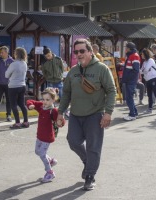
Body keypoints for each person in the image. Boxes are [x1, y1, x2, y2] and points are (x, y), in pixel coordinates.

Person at [57, 38, 116, 191]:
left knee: (93, 147)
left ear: (90, 51)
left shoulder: (101, 69)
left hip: (95, 115)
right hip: (76, 115)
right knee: (73, 141)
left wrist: (108, 113)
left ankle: (90, 176)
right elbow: (66, 94)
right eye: (76, 52)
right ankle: (87, 162)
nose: (79, 54)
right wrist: (60, 112)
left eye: (82, 51)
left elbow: (111, 91)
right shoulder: (73, 71)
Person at [27, 88, 65, 183]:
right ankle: (51, 161)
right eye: (43, 99)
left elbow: (61, 121)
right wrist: (30, 105)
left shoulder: (54, 111)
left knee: (42, 154)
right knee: (37, 151)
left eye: (47, 100)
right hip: (39, 135)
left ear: (53, 100)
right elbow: (29, 101)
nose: (44, 101)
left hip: (47, 137)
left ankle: (50, 172)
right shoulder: (41, 106)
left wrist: (60, 122)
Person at [5, 47, 29, 129]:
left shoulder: (14, 64)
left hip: (13, 86)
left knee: (13, 105)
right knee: (22, 104)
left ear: (16, 54)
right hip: (22, 85)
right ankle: (26, 121)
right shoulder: (24, 64)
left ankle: (17, 122)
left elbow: (6, 75)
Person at [0, 46, 14, 121]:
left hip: (9, 84)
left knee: (9, 100)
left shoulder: (12, 62)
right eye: (0, 52)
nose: (1, 54)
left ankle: (9, 115)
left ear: (7, 52)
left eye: (2, 52)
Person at [122, 42, 140, 121]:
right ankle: (134, 112)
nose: (125, 49)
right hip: (130, 80)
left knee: (129, 98)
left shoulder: (134, 56)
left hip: (131, 81)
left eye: (126, 47)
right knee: (129, 97)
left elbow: (136, 70)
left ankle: (132, 115)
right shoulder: (131, 55)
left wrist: (128, 78)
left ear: (129, 48)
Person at [140, 49, 156, 114]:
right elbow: (141, 70)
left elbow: (145, 70)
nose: (141, 55)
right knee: (149, 95)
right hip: (147, 80)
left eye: (142, 54)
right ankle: (149, 108)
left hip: (153, 79)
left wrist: (144, 70)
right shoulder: (144, 62)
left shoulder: (150, 60)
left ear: (145, 54)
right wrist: (144, 70)